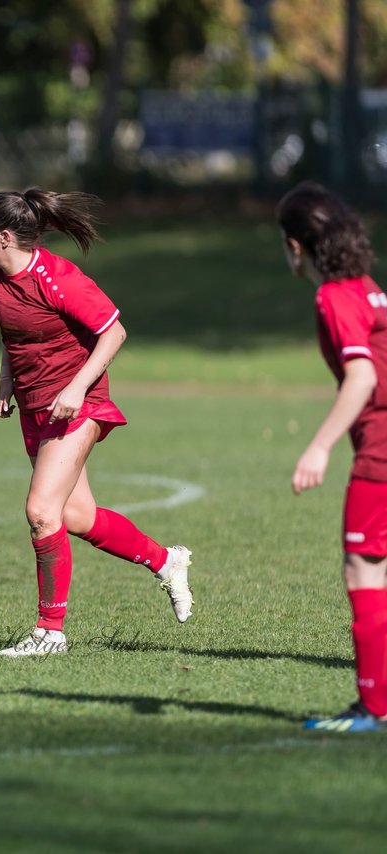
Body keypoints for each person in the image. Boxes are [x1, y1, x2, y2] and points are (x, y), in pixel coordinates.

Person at [0, 188, 193, 658]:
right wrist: (6, 381)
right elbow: (12, 334)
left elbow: (114, 332)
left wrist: (75, 388)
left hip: (79, 403)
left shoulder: (57, 277)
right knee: (75, 516)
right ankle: (166, 561)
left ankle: (50, 632)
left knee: (40, 512)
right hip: (36, 407)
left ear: (6, 237)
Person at [275, 183, 387, 732]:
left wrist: (318, 446)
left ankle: (372, 708)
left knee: (364, 568)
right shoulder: (367, 287)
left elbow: (364, 376)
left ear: (296, 246)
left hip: (382, 451)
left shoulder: (334, 297)